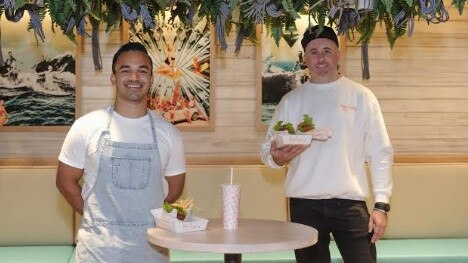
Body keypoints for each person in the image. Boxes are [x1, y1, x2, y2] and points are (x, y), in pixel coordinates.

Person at [261, 25, 393, 263]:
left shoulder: (361, 97)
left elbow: (380, 152)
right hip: (304, 205)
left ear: (338, 54)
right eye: (313, 52)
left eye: (327, 51)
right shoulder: (291, 101)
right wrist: (277, 158)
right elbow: (268, 153)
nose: (320, 58)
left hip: (351, 204)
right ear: (305, 58)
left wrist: (381, 205)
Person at [56, 42, 186, 263]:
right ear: (113, 78)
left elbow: (175, 188)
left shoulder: (169, 133)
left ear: (152, 79)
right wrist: (96, 218)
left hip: (151, 251)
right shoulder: (86, 126)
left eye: (142, 70)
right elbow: (65, 182)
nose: (134, 77)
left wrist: (142, 219)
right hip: (98, 252)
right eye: (126, 70)